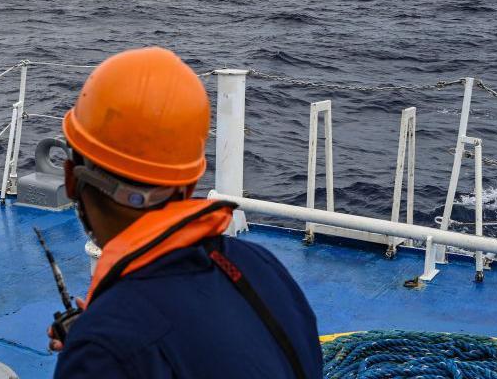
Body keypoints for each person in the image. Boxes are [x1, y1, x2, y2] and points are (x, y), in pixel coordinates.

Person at [50, 47, 322, 379]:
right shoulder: (262, 266)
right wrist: (107, 318)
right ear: (189, 183)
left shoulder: (102, 352)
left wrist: (101, 336)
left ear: (69, 178)